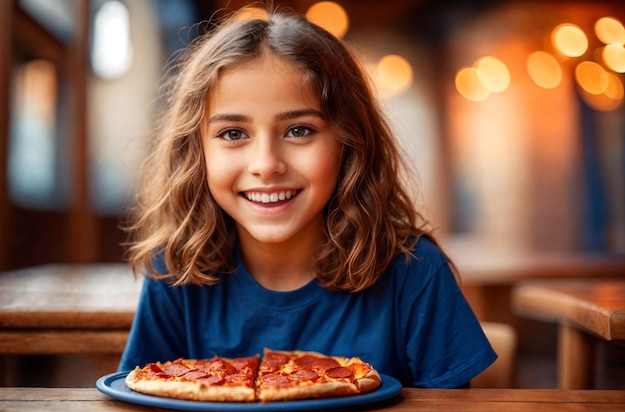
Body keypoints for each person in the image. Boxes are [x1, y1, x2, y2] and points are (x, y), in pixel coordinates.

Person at [118, 5, 497, 389]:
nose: (266, 164)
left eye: (299, 131)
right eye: (233, 133)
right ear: (195, 152)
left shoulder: (415, 273)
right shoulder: (175, 271)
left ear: (350, 143)